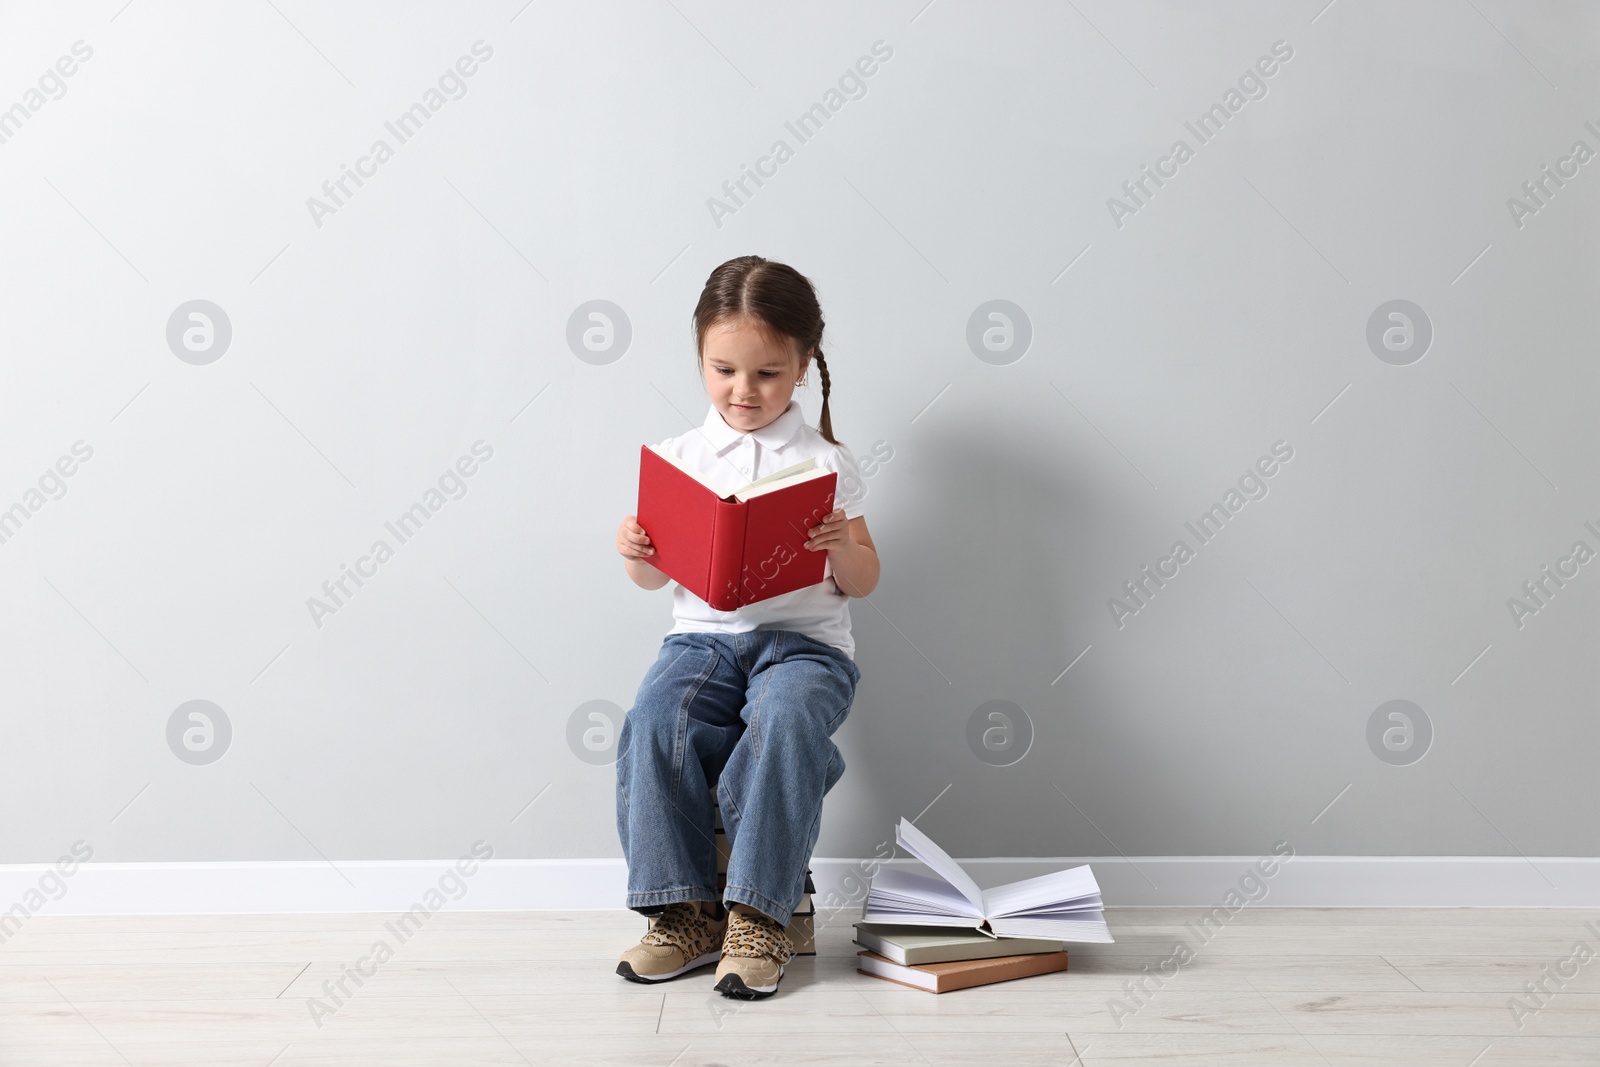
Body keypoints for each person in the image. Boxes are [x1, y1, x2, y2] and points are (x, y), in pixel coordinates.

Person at [612, 255, 880, 999]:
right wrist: (637, 552)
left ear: (801, 368)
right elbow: (653, 578)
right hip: (700, 640)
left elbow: (865, 579)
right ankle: (681, 912)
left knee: (786, 718)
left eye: (766, 373)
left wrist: (839, 547)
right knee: (652, 719)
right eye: (723, 369)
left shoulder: (825, 462)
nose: (742, 390)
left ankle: (760, 915)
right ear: (700, 358)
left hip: (805, 646)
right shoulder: (680, 458)